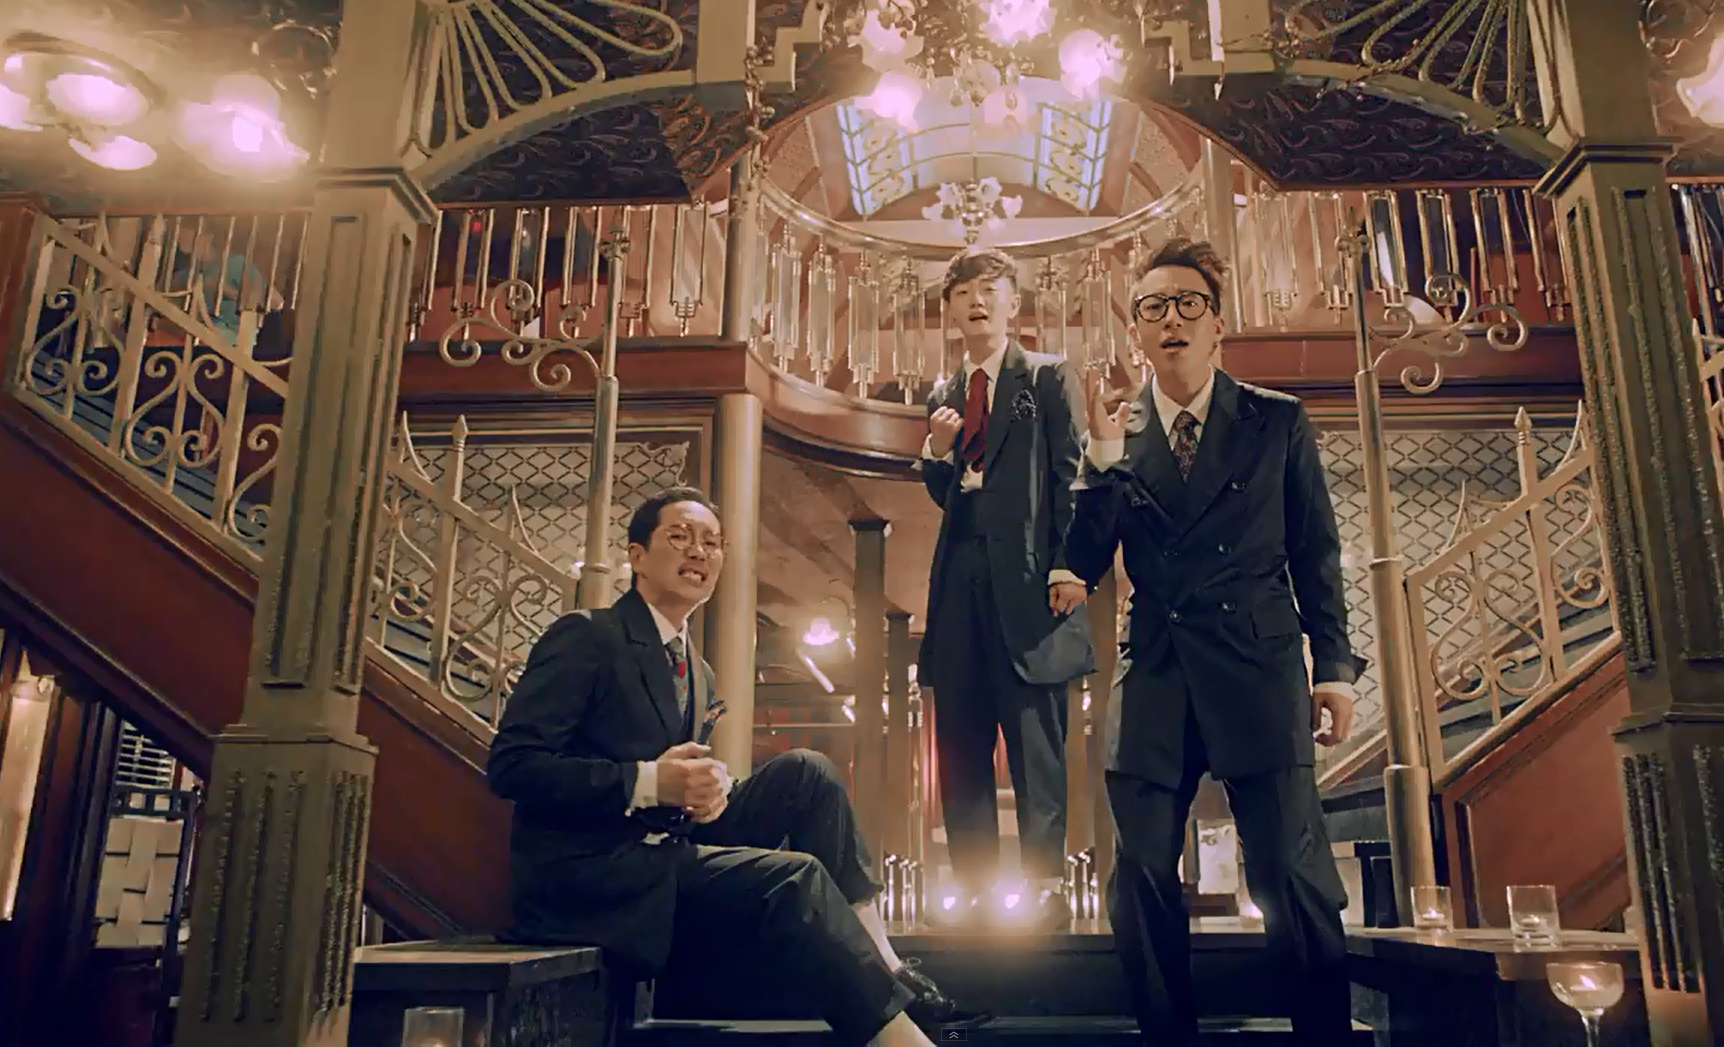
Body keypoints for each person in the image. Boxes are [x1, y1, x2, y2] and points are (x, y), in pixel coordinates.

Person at [488, 487, 968, 1045]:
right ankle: (901, 1038)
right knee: (795, 876)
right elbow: (514, 765)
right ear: (637, 556)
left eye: (712, 542)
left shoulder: (696, 668)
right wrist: (647, 781)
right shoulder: (589, 635)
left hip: (663, 847)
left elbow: (676, 786)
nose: (699, 551)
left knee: (808, 772)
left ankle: (884, 960)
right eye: (679, 537)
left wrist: (708, 792)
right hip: (591, 872)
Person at [1065, 239, 1365, 1043]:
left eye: (1187, 303)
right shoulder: (1115, 432)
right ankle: (1166, 1033)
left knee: (1290, 870)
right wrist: (1100, 456)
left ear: (1217, 323)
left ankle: (1322, 1033)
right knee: (1138, 872)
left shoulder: (1276, 418)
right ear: (1136, 331)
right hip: (1155, 667)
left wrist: (1334, 669)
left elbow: (1315, 551)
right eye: (1152, 307)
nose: (1170, 319)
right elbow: (1083, 559)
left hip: (1257, 664)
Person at [917, 248, 1096, 929]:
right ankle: (971, 890)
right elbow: (950, 496)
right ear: (949, 309)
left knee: (1036, 746)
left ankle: (1044, 888)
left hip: (1031, 583)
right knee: (959, 741)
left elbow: (1072, 473)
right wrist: (935, 454)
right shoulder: (943, 394)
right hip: (959, 581)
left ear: (1012, 304)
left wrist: (1069, 564)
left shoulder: (1046, 376)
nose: (976, 301)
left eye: (989, 290)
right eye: (963, 292)